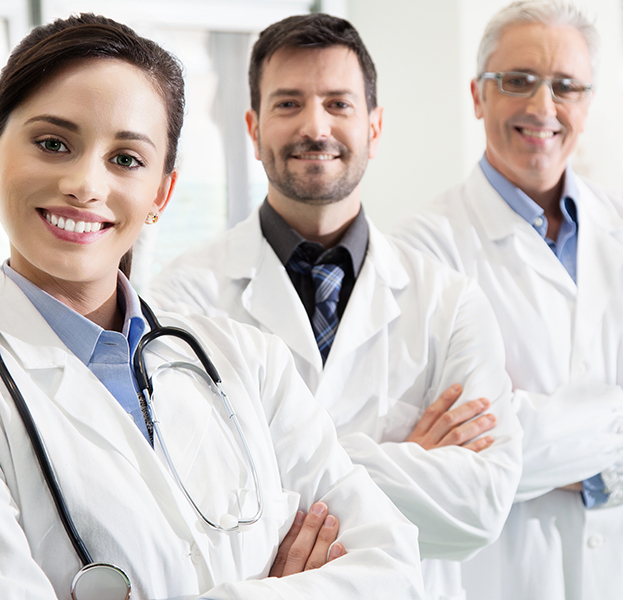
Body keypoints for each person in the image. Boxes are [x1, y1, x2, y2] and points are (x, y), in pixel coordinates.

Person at [0, 14, 425, 600]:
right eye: (53, 143)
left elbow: (393, 568)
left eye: (127, 159)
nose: (85, 184)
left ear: (161, 193)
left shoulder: (251, 362)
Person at [147, 13, 523, 600]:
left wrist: (278, 457)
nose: (314, 126)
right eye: (288, 104)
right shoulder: (183, 298)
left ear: (375, 126)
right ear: (253, 127)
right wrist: (406, 458)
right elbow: (187, 493)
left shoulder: (449, 304)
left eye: (339, 104)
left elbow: (479, 508)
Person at [392, 1, 623, 599]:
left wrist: (591, 475)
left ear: (587, 102)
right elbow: (455, 461)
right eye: (518, 81)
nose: (542, 107)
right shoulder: (423, 249)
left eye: (566, 86)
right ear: (478, 97)